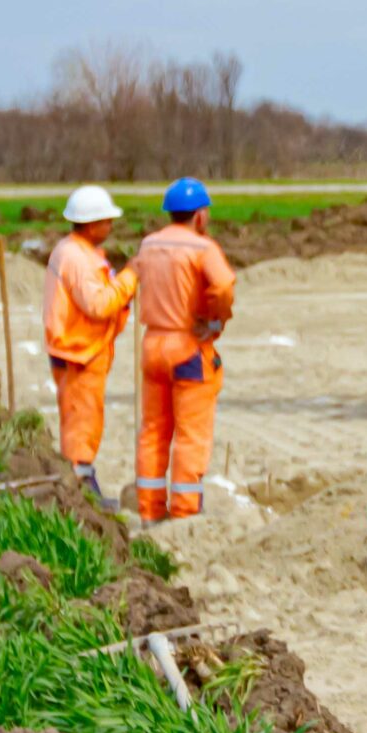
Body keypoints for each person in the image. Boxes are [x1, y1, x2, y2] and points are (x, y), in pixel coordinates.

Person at [132, 178, 236, 522]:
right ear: (201, 215)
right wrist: (215, 318)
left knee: (153, 431)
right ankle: (185, 511)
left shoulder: (149, 244)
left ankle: (149, 508)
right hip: (188, 347)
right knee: (191, 435)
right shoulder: (202, 248)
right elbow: (223, 285)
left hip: (152, 345)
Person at [41, 184, 138, 508]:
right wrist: (130, 278)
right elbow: (98, 304)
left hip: (80, 350)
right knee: (82, 423)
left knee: (81, 420)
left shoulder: (77, 252)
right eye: (107, 220)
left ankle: (82, 482)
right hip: (78, 353)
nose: (111, 227)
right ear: (92, 223)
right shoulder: (78, 258)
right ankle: (81, 491)